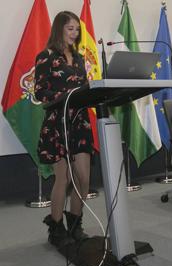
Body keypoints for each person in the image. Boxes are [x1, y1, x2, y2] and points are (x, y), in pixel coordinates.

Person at [35, 11, 94, 248]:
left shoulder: (79, 58)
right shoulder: (45, 56)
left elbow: (83, 87)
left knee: (84, 178)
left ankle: (75, 224)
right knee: (64, 178)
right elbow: (40, 92)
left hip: (79, 121)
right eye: (70, 28)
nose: (75, 33)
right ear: (59, 29)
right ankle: (57, 229)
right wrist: (65, 96)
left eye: (77, 29)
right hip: (57, 122)